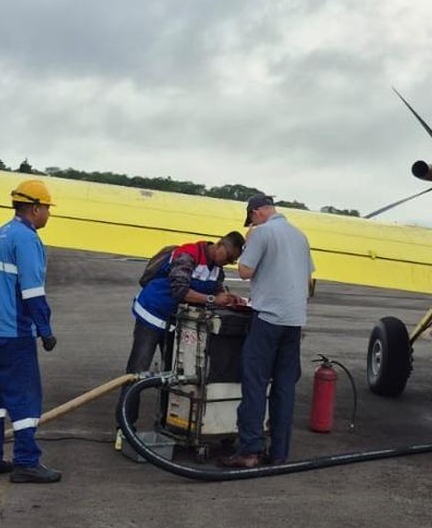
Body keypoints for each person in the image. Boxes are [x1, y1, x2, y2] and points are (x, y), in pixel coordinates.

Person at [0, 179, 62, 484]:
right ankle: (26, 461)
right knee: (25, 396)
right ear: (35, 208)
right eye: (47, 208)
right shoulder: (26, 238)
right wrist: (45, 329)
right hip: (12, 329)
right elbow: (32, 291)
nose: (48, 214)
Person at [221, 194, 315, 468]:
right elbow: (308, 280)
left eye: (251, 219)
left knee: (255, 382)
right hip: (294, 321)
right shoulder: (300, 236)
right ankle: (279, 453)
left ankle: (249, 451)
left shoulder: (261, 233)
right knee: (284, 387)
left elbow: (244, 271)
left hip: (268, 319)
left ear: (255, 213)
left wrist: (250, 239)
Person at [120, 232, 246, 426]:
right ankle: (125, 426)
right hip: (152, 314)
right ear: (220, 245)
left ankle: (167, 424)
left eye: (233, 261)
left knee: (173, 376)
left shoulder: (217, 269)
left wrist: (228, 297)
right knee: (137, 371)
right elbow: (180, 291)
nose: (228, 262)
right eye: (229, 257)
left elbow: (216, 287)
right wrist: (213, 299)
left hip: (176, 322)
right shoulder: (188, 254)